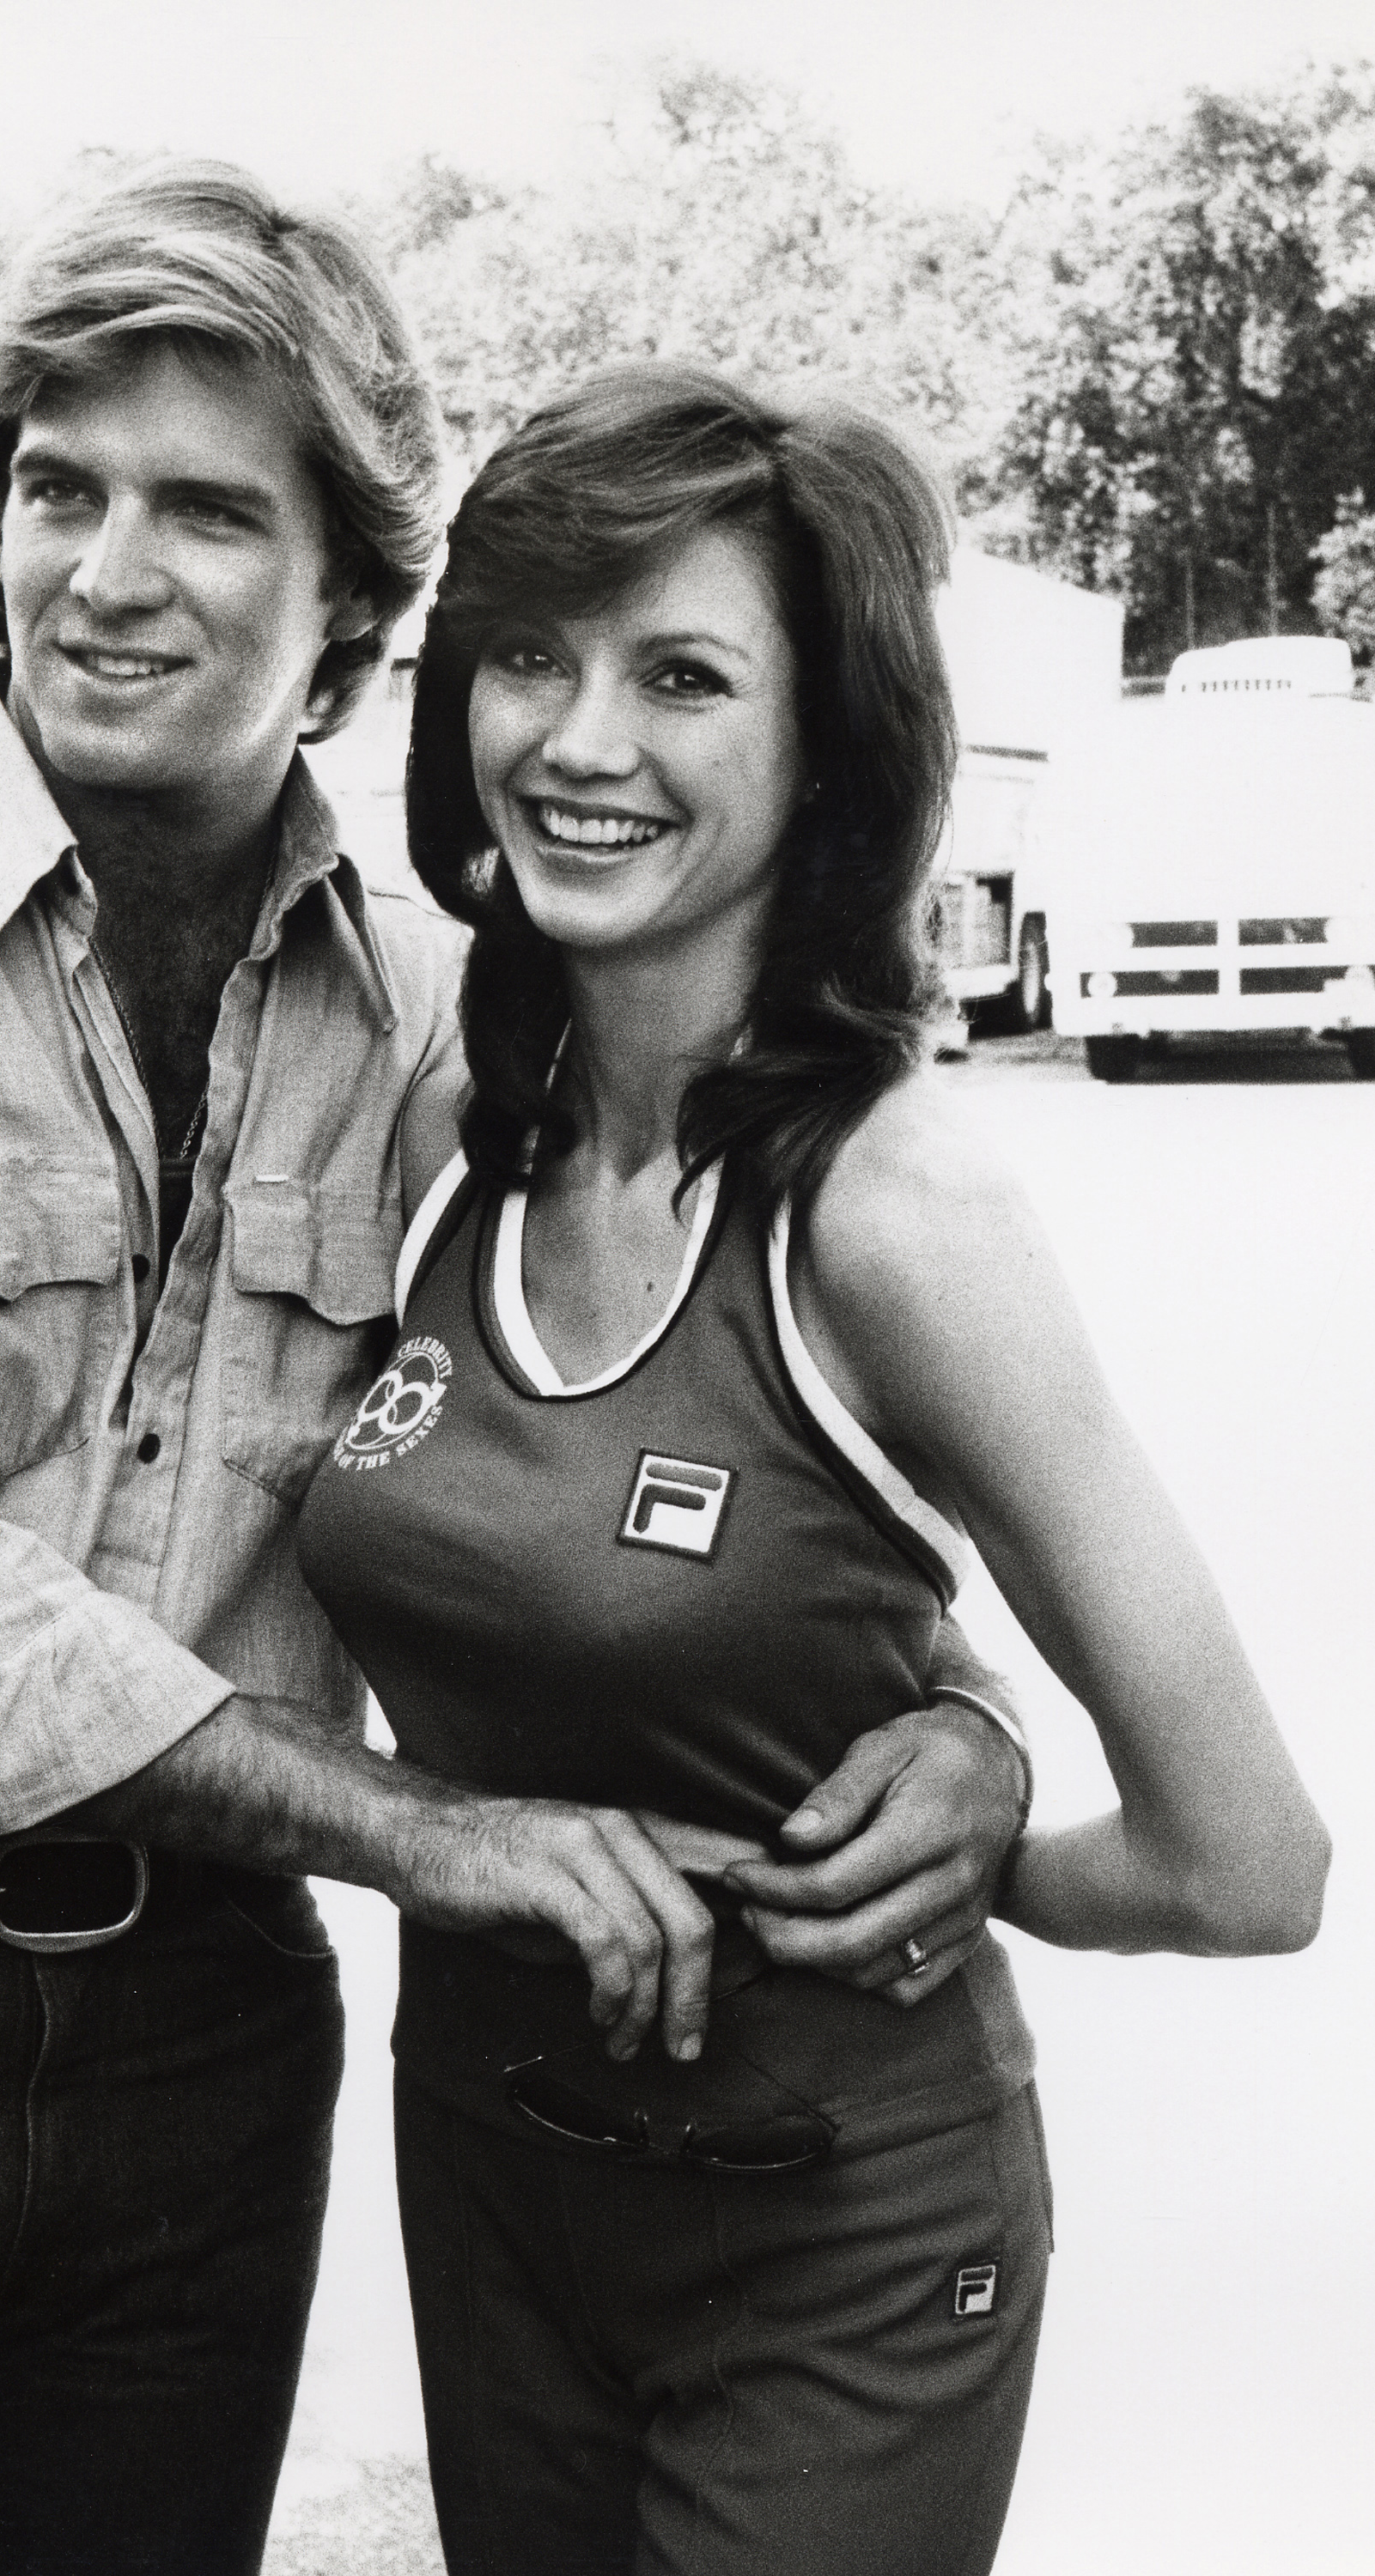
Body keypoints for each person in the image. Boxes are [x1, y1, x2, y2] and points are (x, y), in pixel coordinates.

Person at [0, 175, 1031, 2576]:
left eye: (209, 507)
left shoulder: (453, 1013)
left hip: (207, 2034)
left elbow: (672, 1423)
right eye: (55, 489)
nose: (107, 570)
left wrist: (958, 1715)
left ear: (349, 600)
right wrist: (432, 1833)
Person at [295, 363, 1333, 2576]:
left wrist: (971, 1839)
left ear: (830, 748)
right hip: (494, 2194)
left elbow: (1250, 1863)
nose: (579, 742)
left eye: (683, 675)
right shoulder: (439, 1140)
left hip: (840, 2252)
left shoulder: (892, 1208)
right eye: (533, 656)